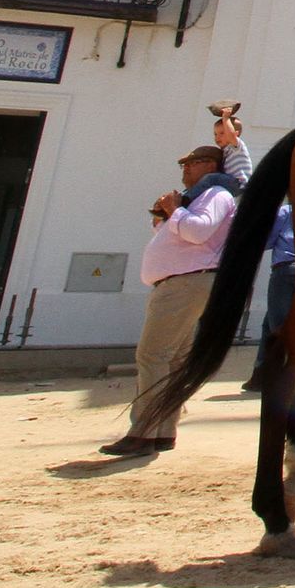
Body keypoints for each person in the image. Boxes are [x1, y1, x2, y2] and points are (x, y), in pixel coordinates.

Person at [100, 144, 238, 457]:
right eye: (185, 164)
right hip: (187, 283)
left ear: (213, 166)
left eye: (194, 163)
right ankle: (162, 431)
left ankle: (144, 432)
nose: (186, 169)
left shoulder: (216, 194)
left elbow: (198, 232)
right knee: (174, 359)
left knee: (152, 355)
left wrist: (176, 210)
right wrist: (168, 218)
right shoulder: (201, 198)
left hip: (186, 284)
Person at [241, 201, 295, 392]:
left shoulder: (286, 211)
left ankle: (280, 378)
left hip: (285, 270)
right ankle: (259, 374)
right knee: (270, 322)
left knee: (278, 327)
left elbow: (266, 241)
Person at [211, 105, 252, 186]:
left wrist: (225, 118)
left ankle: (188, 196)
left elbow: (231, 135)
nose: (217, 137)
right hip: (229, 181)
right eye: (215, 134)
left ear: (235, 134)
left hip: (238, 182)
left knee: (210, 178)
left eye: (222, 133)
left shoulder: (236, 146)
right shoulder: (225, 151)